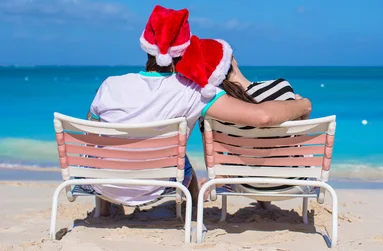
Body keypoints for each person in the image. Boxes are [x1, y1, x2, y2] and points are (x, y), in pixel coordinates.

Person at [86, 5, 311, 216]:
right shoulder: (192, 91)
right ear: (184, 49)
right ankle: (191, 216)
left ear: (145, 46)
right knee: (185, 166)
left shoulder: (110, 84)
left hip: (104, 183)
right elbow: (263, 116)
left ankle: (104, 214)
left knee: (105, 149)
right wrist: (303, 105)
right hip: (157, 185)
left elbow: (91, 133)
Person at [176, 36, 313, 209]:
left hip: (244, 184)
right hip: (291, 181)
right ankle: (265, 200)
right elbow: (296, 139)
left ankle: (261, 194)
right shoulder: (281, 87)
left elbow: (214, 165)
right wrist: (304, 105)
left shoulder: (215, 110)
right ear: (232, 59)